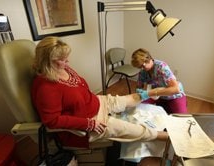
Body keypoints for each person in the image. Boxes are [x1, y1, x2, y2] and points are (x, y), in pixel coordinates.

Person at [31, 36, 168, 148]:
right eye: (62, 59)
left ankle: (151, 94)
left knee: (131, 98)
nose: (67, 61)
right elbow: (52, 121)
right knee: (130, 129)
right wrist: (89, 124)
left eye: (66, 57)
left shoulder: (63, 69)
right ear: (47, 61)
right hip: (88, 121)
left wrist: (150, 93)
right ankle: (165, 137)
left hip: (96, 102)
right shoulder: (45, 88)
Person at [131, 48, 187, 114]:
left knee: (182, 118)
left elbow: (176, 89)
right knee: (138, 107)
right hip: (158, 96)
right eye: (140, 67)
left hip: (174, 96)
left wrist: (151, 93)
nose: (142, 68)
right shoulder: (143, 72)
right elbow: (139, 86)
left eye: (143, 66)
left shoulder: (161, 67)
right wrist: (139, 91)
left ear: (148, 59)